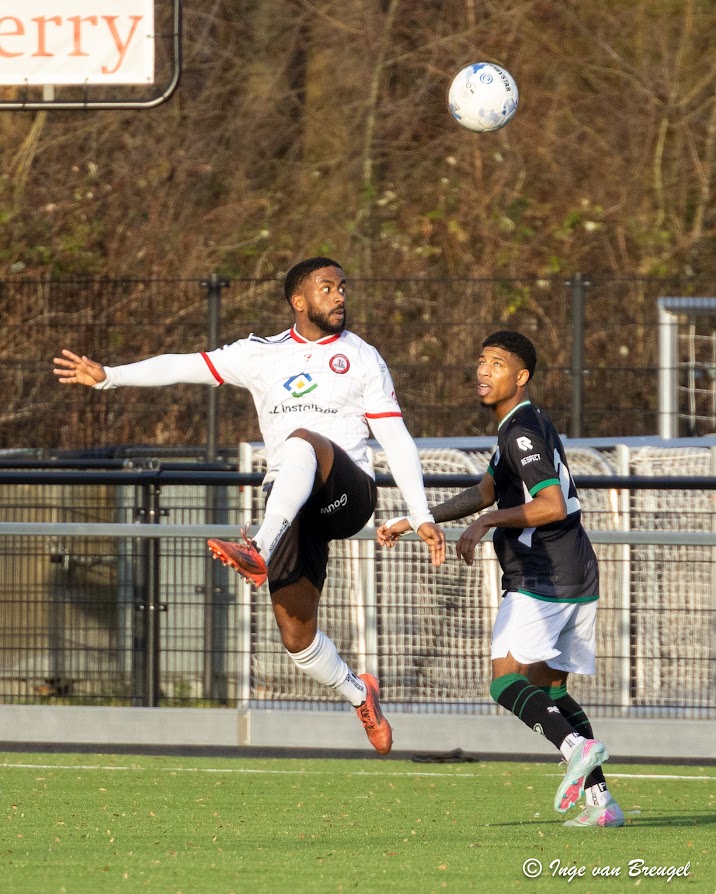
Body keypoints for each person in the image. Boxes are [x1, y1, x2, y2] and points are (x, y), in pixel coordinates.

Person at [53, 257, 446, 756]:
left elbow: (395, 435)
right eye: (328, 288)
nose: (340, 296)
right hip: (291, 503)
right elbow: (182, 365)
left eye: (343, 287)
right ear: (298, 301)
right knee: (296, 637)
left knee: (303, 441)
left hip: (347, 493)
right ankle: (358, 693)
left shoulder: (362, 356)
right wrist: (109, 376)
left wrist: (423, 513)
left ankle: (257, 547)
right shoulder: (260, 353)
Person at [378, 330, 624, 826]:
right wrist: (419, 517)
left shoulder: (521, 431)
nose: (483, 371)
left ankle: (575, 747)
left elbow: (550, 506)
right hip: (576, 572)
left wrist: (487, 523)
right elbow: (487, 489)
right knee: (552, 692)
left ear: (522, 376)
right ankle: (603, 806)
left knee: (504, 684)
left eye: (496, 363)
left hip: (542, 577)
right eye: (481, 361)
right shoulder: (522, 424)